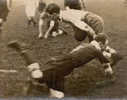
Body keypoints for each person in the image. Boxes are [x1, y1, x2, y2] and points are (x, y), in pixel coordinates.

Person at [7, 33, 122, 98]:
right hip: (63, 65)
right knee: (38, 75)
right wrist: (111, 76)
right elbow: (106, 65)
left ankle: (35, 86)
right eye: (104, 45)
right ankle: (22, 49)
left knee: (59, 95)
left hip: (64, 66)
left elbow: (81, 53)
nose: (105, 48)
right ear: (100, 43)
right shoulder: (96, 50)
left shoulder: (86, 45)